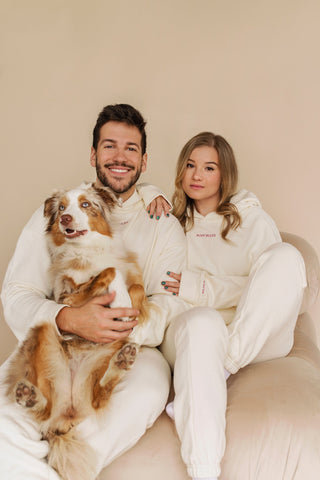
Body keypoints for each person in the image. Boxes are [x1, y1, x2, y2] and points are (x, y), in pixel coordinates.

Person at [0, 104, 189, 479]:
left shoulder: (163, 225)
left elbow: (171, 300)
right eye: (109, 146)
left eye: (130, 149)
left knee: (147, 391)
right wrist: (67, 318)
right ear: (93, 154)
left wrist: (119, 325)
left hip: (132, 347)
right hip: (57, 338)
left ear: (144, 160)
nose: (119, 157)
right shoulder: (57, 215)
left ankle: (67, 461)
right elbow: (17, 293)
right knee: (5, 419)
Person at [143, 131, 307, 480]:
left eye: (208, 167)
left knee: (287, 257)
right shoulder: (172, 224)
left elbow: (267, 287)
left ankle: (224, 365)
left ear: (225, 174)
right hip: (198, 334)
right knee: (203, 322)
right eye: (190, 165)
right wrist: (148, 192)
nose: (196, 175)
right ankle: (204, 471)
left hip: (258, 335)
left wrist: (199, 286)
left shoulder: (253, 221)